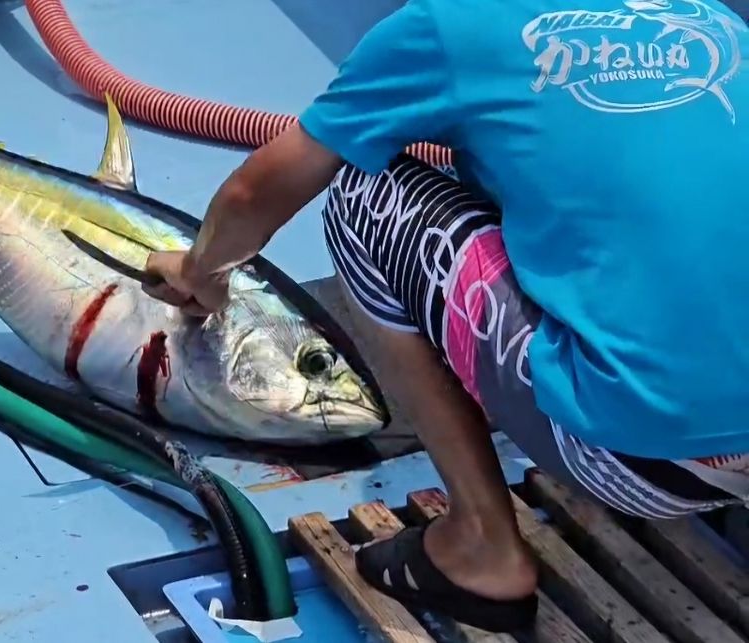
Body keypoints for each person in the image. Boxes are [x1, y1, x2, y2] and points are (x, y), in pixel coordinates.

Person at [141, 0, 749, 633]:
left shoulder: (447, 25)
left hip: (637, 459)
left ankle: (483, 543)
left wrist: (199, 271)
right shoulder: (712, 21)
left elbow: (255, 192)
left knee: (364, 195)